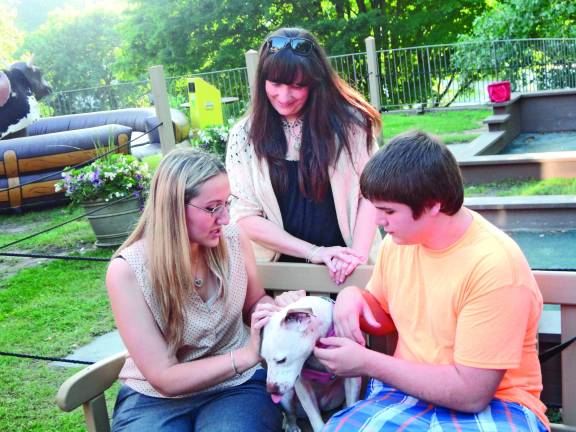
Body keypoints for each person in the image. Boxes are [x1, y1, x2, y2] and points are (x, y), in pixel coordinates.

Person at [314, 131, 549, 431]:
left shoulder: (494, 264)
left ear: (433, 204)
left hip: (500, 405)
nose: (377, 221)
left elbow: (472, 394)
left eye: (388, 211)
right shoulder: (399, 243)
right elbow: (385, 316)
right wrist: (353, 297)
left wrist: (367, 362)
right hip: (408, 396)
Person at [106, 148, 283, 431]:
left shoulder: (234, 241)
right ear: (173, 208)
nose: (225, 218)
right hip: (154, 399)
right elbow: (164, 377)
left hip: (235, 388)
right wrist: (248, 354)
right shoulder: (128, 271)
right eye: (213, 207)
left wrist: (272, 313)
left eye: (227, 203)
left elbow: (254, 303)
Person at [226, 27, 382, 285]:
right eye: (275, 84)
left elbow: (372, 192)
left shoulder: (351, 124)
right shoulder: (243, 136)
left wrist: (357, 258)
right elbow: (244, 216)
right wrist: (314, 253)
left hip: (349, 267)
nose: (284, 97)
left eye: (297, 86)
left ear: (314, 82)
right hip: (278, 275)